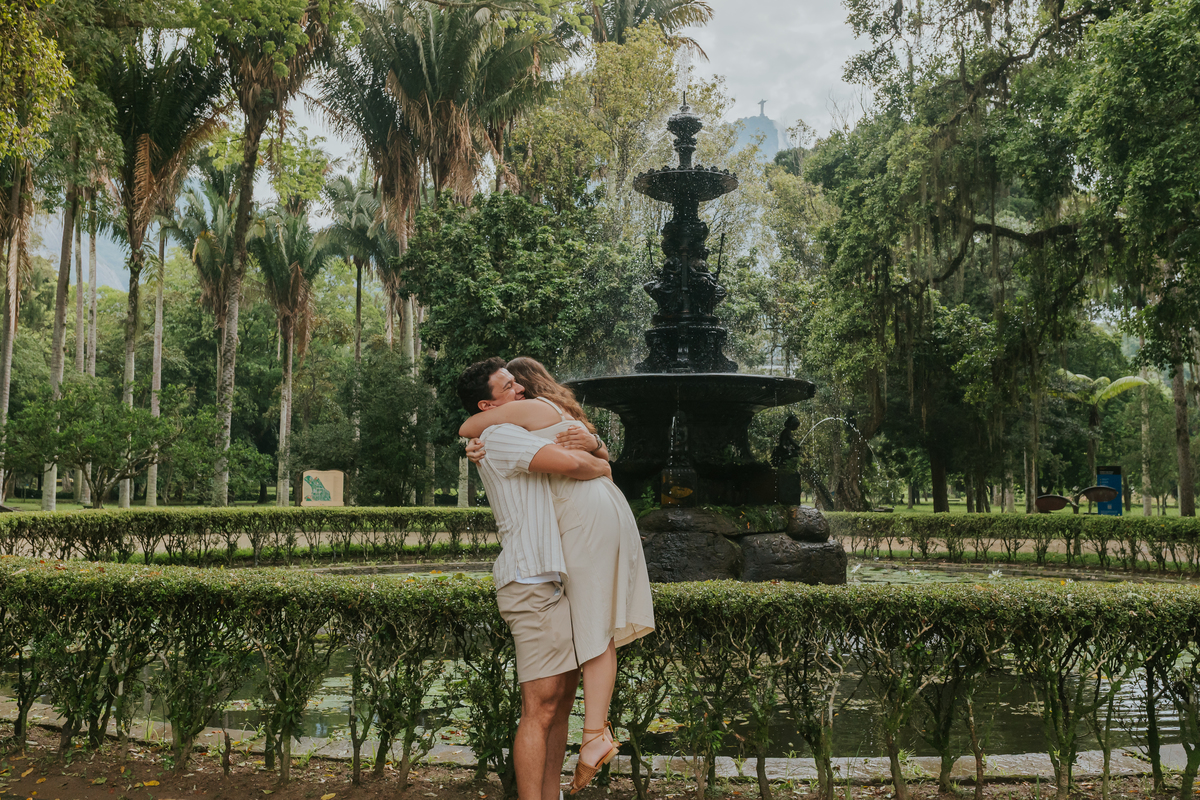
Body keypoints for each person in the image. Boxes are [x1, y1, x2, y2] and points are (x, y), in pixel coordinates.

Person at [460, 356, 655, 795]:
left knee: (558, 706)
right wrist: (599, 460)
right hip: (530, 579)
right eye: (508, 387)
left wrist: (593, 443)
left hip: (552, 576)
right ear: (486, 406)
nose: (520, 391)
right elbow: (572, 466)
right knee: (541, 709)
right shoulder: (500, 435)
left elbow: (575, 456)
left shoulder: (510, 428)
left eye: (518, 383)